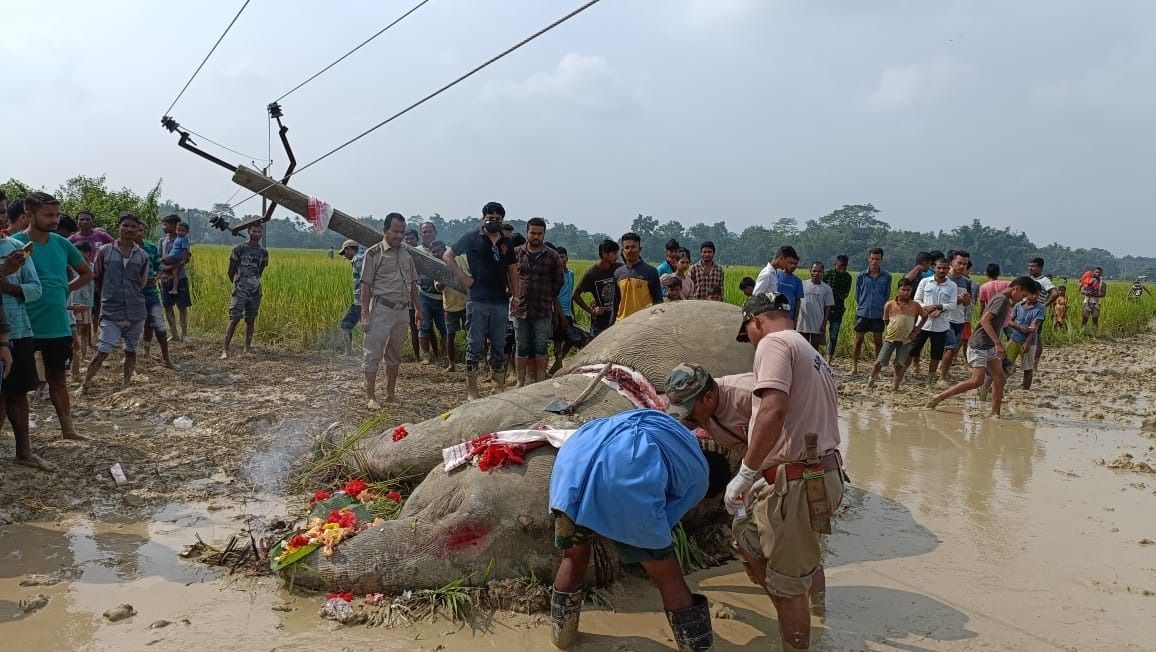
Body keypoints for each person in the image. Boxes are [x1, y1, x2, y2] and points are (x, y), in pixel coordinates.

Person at [547, 408, 729, 651]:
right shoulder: (700, 476)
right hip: (623, 473)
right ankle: (697, 647)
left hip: (572, 464)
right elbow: (661, 526)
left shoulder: (676, 436)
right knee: (668, 578)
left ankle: (562, 639)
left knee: (573, 557)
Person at [729, 292, 846, 650]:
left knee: (789, 585)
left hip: (795, 483)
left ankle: (797, 641)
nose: (750, 341)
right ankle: (819, 614)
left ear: (757, 321)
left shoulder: (774, 343)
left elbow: (772, 410)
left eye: (747, 331)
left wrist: (746, 471)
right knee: (798, 556)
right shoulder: (811, 352)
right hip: (823, 474)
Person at [10, 193, 92, 440]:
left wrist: (65, 289)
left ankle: (68, 430)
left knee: (58, 378)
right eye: (48, 215)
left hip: (56, 324)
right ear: (29, 215)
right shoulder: (14, 244)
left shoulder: (62, 244)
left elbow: (86, 273)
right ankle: (19, 441)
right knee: (16, 387)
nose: (54, 220)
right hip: (23, 326)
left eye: (56, 215)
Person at [928, 277, 1038, 416]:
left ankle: (995, 413)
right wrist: (998, 343)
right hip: (979, 345)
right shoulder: (1001, 300)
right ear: (1017, 289)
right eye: (1023, 296)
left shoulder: (1004, 301)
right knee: (976, 381)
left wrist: (996, 342)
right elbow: (984, 320)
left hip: (989, 345)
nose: (1022, 299)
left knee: (1000, 377)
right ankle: (938, 397)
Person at [444, 202, 517, 401]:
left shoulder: (506, 242)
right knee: (475, 343)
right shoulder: (471, 237)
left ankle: (498, 387)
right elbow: (448, 256)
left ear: (502, 220)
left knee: (499, 344)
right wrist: (463, 278)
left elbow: (512, 269)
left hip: (501, 301)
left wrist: (516, 294)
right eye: (490, 217)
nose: (494, 221)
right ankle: (472, 389)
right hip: (477, 299)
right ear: (483, 217)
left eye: (498, 218)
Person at [78, 213, 149, 393]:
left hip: (136, 310)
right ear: (118, 226)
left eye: (133, 227)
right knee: (103, 349)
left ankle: (125, 384)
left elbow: (141, 282)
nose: (129, 230)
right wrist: (106, 297)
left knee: (131, 350)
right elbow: (98, 277)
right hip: (111, 309)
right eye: (125, 226)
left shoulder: (142, 255)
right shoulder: (105, 251)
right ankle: (85, 384)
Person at [362, 213, 420, 408]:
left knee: (395, 354)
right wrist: (365, 315)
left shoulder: (407, 255)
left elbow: (413, 285)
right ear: (385, 230)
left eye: (402, 232)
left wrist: (418, 310)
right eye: (395, 231)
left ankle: (390, 394)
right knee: (373, 354)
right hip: (381, 310)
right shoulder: (373, 254)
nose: (399, 235)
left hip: (402, 312)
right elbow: (365, 286)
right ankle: (371, 396)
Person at [0, 235, 48, 470]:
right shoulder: (12, 259)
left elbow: (36, 288)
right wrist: (5, 269)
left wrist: (7, 285)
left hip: (17, 329)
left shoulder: (18, 249)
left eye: (1, 211)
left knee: (18, 393)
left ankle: (24, 452)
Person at [511, 218, 564, 387]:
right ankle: (520, 381)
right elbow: (508, 277)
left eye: (539, 233)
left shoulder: (552, 256)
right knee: (521, 346)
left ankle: (540, 380)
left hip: (542, 309)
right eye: (532, 233)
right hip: (520, 308)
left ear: (544, 234)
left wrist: (547, 295)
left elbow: (559, 281)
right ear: (527, 232)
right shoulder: (516, 253)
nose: (535, 236)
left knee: (541, 346)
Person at [133, 226, 178, 370]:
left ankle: (165, 358)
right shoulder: (124, 249)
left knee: (158, 326)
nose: (138, 232)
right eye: (135, 230)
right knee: (130, 326)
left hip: (151, 292)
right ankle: (131, 357)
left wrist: (158, 277)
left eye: (140, 230)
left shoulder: (151, 247)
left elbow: (159, 267)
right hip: (132, 294)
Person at [221, 224, 269, 359]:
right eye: (254, 231)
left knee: (250, 320)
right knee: (234, 318)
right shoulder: (239, 249)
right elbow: (231, 271)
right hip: (240, 290)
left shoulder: (263, 252)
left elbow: (260, 272)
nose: (257, 234)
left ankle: (247, 348)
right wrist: (238, 284)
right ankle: (225, 349)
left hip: (255, 291)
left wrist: (252, 283)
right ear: (249, 232)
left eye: (259, 232)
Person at [907, 256, 957, 385]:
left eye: (944, 268)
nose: (941, 270)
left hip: (941, 325)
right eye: (939, 268)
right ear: (934, 267)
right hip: (923, 324)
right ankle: (901, 376)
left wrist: (938, 307)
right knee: (912, 350)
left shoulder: (952, 286)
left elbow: (952, 305)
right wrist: (927, 309)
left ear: (948, 269)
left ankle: (930, 380)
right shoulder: (925, 282)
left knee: (936, 355)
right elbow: (917, 299)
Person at [867, 278, 925, 390]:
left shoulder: (915, 305)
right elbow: (886, 320)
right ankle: (870, 381)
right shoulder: (890, 304)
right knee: (880, 362)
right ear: (898, 289)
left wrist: (916, 330)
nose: (905, 292)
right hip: (890, 338)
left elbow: (924, 317)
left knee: (899, 364)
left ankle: (895, 385)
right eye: (903, 289)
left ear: (911, 291)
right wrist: (891, 328)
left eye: (908, 290)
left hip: (906, 340)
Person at [851, 248, 891, 374]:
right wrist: (863, 305)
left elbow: (886, 295)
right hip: (863, 313)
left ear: (881, 260)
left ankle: (877, 368)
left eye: (877, 259)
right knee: (858, 340)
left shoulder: (887, 277)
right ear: (868, 259)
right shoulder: (861, 276)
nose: (874, 262)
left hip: (878, 313)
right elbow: (857, 294)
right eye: (872, 259)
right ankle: (854, 367)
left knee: (878, 341)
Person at [939, 250, 976, 381]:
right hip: (945, 319)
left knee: (953, 350)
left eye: (965, 264)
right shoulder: (944, 279)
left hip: (959, 319)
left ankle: (944, 371)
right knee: (950, 348)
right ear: (952, 263)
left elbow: (967, 304)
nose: (962, 266)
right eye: (959, 263)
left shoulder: (966, 282)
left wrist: (965, 301)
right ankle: (942, 377)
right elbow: (940, 303)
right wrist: (959, 300)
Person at [573, 239, 621, 338]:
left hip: (618, 317)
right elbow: (575, 295)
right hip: (600, 321)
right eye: (614, 253)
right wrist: (592, 311)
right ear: (604, 254)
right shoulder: (591, 274)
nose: (617, 256)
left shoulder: (619, 268)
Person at [549, 247, 585, 375]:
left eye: (562, 256)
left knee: (570, 339)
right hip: (557, 312)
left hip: (568, 312)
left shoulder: (571, 274)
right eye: (558, 257)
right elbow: (554, 297)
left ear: (567, 258)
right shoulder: (554, 275)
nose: (560, 259)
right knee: (558, 340)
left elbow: (570, 295)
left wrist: (572, 314)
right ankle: (558, 363)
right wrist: (560, 316)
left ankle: (558, 363)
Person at [614, 232, 662, 321]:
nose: (630, 250)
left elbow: (658, 300)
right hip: (622, 323)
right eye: (627, 247)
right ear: (622, 251)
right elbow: (616, 302)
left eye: (633, 247)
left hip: (643, 323)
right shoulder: (618, 273)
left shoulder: (650, 271)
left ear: (640, 249)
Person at [159, 214, 192, 342]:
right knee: (167, 306)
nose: (164, 227)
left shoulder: (183, 240)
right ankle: (174, 334)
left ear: (174, 225)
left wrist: (172, 266)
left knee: (182, 306)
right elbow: (158, 258)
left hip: (180, 276)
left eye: (166, 224)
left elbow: (186, 258)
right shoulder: (162, 241)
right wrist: (163, 270)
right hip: (166, 278)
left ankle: (184, 334)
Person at [415, 240, 447, 365]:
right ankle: (426, 356)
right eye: (433, 251)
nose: (436, 253)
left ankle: (445, 356)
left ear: (444, 250)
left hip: (442, 299)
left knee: (444, 328)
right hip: (425, 296)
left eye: (439, 250)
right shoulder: (425, 262)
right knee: (424, 326)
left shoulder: (449, 262)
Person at [1006, 289, 1044, 390]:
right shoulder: (1018, 305)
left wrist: (1027, 342)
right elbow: (1010, 321)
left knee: (1027, 368)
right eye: (1032, 293)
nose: (1035, 296)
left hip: (1029, 341)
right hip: (1014, 338)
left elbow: (1034, 326)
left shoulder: (1040, 307)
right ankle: (999, 384)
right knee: (1006, 364)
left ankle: (1025, 390)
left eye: (1037, 294)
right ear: (1026, 293)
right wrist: (1019, 327)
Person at [438, 251, 469, 372]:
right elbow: (439, 287)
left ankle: (472, 362)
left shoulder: (460, 260)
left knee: (470, 335)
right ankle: (451, 364)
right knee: (450, 336)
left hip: (465, 303)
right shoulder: (438, 267)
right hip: (450, 307)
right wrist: (445, 275)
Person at [68, 241, 96, 374]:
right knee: (75, 329)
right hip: (73, 303)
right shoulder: (71, 267)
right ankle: (75, 364)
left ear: (87, 253)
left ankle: (84, 356)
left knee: (85, 328)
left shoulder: (92, 266)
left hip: (87, 302)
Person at [1027, 257, 1057, 367]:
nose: (1030, 268)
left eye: (1033, 266)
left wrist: (1044, 305)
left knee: (1036, 336)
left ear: (1040, 268)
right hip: (1025, 311)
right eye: (1029, 266)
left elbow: (1054, 293)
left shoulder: (1044, 280)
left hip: (1036, 313)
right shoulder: (1029, 279)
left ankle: (1035, 363)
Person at [798, 262, 834, 350]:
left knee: (814, 349)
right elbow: (797, 303)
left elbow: (827, 307)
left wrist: (824, 324)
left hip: (817, 323)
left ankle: (812, 364)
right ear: (810, 271)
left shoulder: (826, 289)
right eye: (814, 271)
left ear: (823, 273)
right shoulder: (802, 284)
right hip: (802, 323)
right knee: (802, 348)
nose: (816, 273)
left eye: (819, 271)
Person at [338, 239, 365, 356]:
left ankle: (348, 353)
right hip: (361, 299)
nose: (344, 255)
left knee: (345, 324)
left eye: (344, 252)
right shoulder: (360, 257)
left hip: (361, 300)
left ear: (349, 249)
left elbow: (365, 281)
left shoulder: (358, 260)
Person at [823, 254, 852, 361]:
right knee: (819, 331)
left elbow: (846, 294)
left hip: (838, 309)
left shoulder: (848, 277)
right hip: (824, 308)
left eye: (843, 269)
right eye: (839, 268)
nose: (841, 270)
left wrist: (833, 292)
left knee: (834, 334)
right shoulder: (828, 274)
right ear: (835, 264)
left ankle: (828, 360)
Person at [1080, 266, 1106, 335]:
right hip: (1087, 302)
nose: (1097, 273)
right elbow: (1082, 290)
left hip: (1096, 303)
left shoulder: (1102, 283)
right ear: (1093, 272)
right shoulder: (1088, 280)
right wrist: (1086, 292)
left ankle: (1094, 334)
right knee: (1085, 318)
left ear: (1101, 273)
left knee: (1095, 318)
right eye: (1096, 272)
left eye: (1099, 272)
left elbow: (1103, 294)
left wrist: (1093, 294)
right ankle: (1082, 333)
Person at [777, 255, 804, 321]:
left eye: (795, 264)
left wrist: (795, 319)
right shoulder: (777, 275)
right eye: (791, 263)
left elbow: (798, 301)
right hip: (776, 314)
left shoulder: (797, 281)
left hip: (789, 316)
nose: (793, 266)